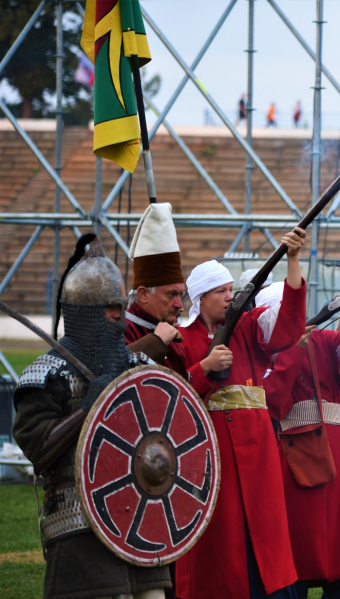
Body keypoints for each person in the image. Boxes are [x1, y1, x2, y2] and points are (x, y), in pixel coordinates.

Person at [14, 239, 171, 599]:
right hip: (78, 524)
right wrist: (89, 405)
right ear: (81, 313)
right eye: (107, 309)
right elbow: (38, 449)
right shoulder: (47, 376)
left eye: (119, 307)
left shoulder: (139, 369)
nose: (117, 316)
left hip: (140, 521)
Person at [176, 227, 308, 599]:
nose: (230, 298)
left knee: (264, 537)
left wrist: (292, 260)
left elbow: (287, 328)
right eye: (221, 292)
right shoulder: (183, 338)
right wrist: (205, 366)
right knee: (222, 540)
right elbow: (172, 395)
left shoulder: (246, 327)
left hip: (257, 449)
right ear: (201, 298)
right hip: (211, 452)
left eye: (231, 290)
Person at [261, 282, 340, 598]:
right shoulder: (262, 348)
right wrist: (293, 347)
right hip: (293, 452)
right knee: (301, 546)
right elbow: (274, 399)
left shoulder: (323, 338)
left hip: (336, 447)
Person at [124, 203, 186, 374]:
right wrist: (156, 341)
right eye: (171, 294)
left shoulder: (172, 327)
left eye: (181, 294)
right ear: (143, 294)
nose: (179, 305)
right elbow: (110, 376)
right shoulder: (117, 330)